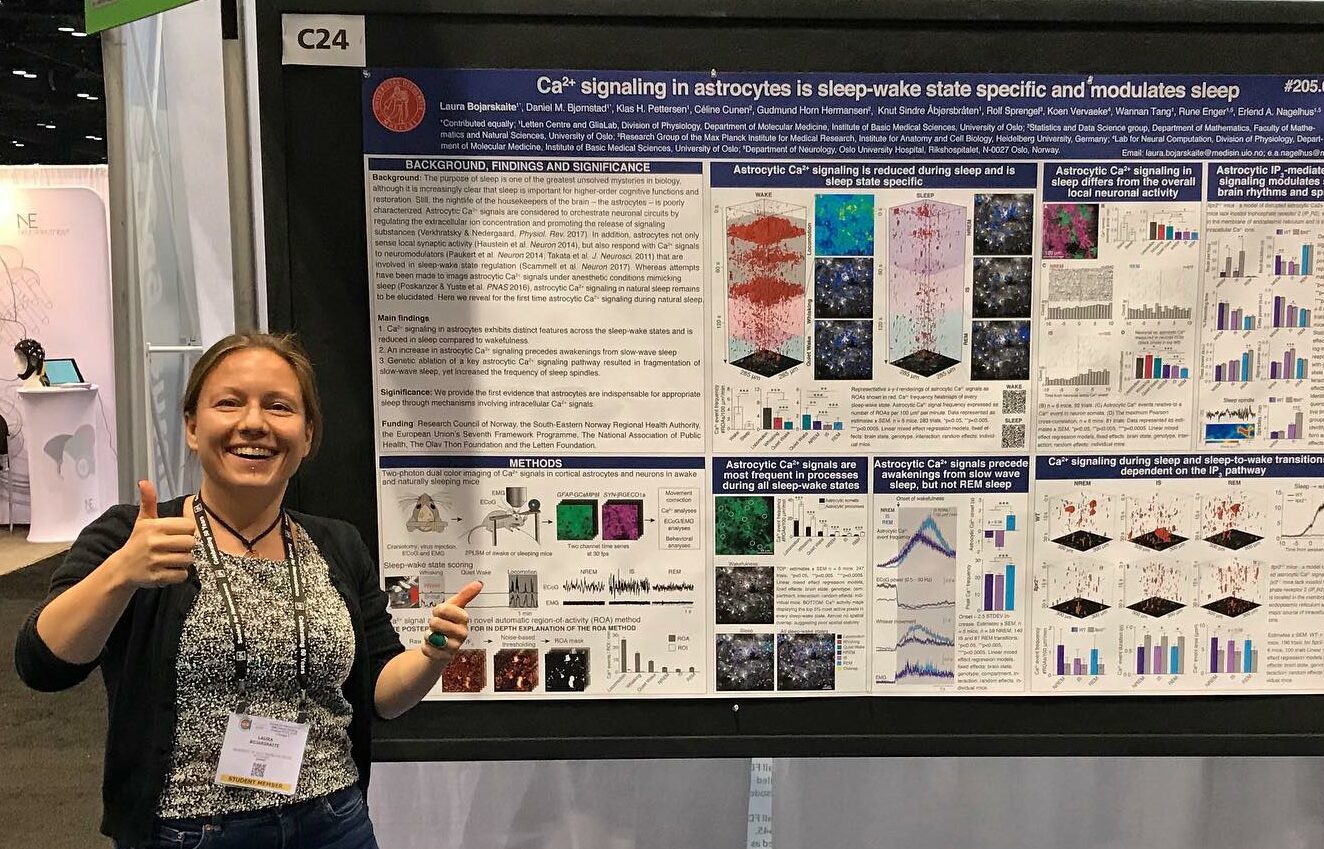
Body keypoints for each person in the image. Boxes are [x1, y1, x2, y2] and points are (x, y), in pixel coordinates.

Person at [15, 332, 480, 848]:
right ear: (193, 427)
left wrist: (432, 656)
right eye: (229, 403)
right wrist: (120, 574)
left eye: (279, 406)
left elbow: (381, 697)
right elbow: (42, 663)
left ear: (307, 435)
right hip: (188, 832)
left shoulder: (338, 545)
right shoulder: (135, 535)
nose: (254, 423)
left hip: (333, 822)